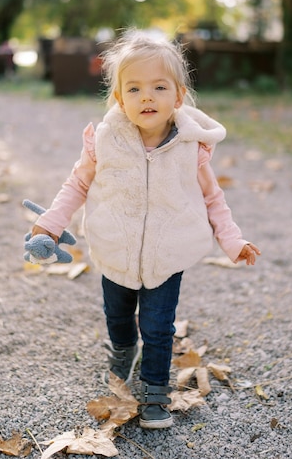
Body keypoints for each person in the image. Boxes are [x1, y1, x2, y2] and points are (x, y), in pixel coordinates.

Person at [29, 28, 261, 430]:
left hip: (165, 255)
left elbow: (212, 199)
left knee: (158, 327)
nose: (147, 97)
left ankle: (155, 391)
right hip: (115, 249)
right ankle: (122, 349)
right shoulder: (105, 140)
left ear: (179, 96)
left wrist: (232, 240)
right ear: (119, 98)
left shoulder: (191, 147)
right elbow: (78, 184)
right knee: (117, 316)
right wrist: (50, 224)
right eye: (134, 89)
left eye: (158, 87)